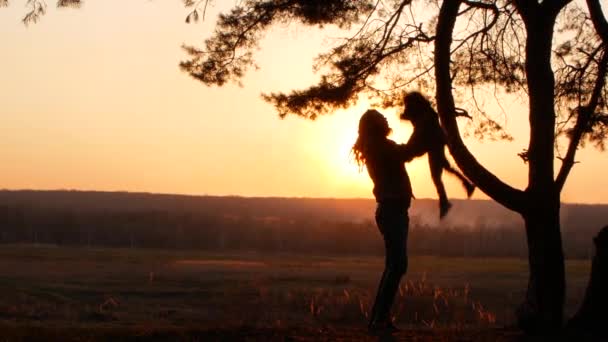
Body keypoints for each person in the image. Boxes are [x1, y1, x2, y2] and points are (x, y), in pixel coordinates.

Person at [352, 109, 418, 334]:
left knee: (395, 265)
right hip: (392, 212)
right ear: (374, 125)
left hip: (393, 211)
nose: (386, 119)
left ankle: (379, 319)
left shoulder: (377, 146)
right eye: (381, 118)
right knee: (398, 265)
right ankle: (379, 319)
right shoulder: (381, 147)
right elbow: (408, 152)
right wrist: (421, 128)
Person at [400, 91, 475, 219]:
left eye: (408, 103)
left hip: (434, 143)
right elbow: (409, 120)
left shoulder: (425, 115)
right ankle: (454, 194)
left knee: (437, 173)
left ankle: (447, 199)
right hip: (433, 143)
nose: (406, 105)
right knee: (442, 169)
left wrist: (409, 148)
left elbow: (419, 131)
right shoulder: (422, 113)